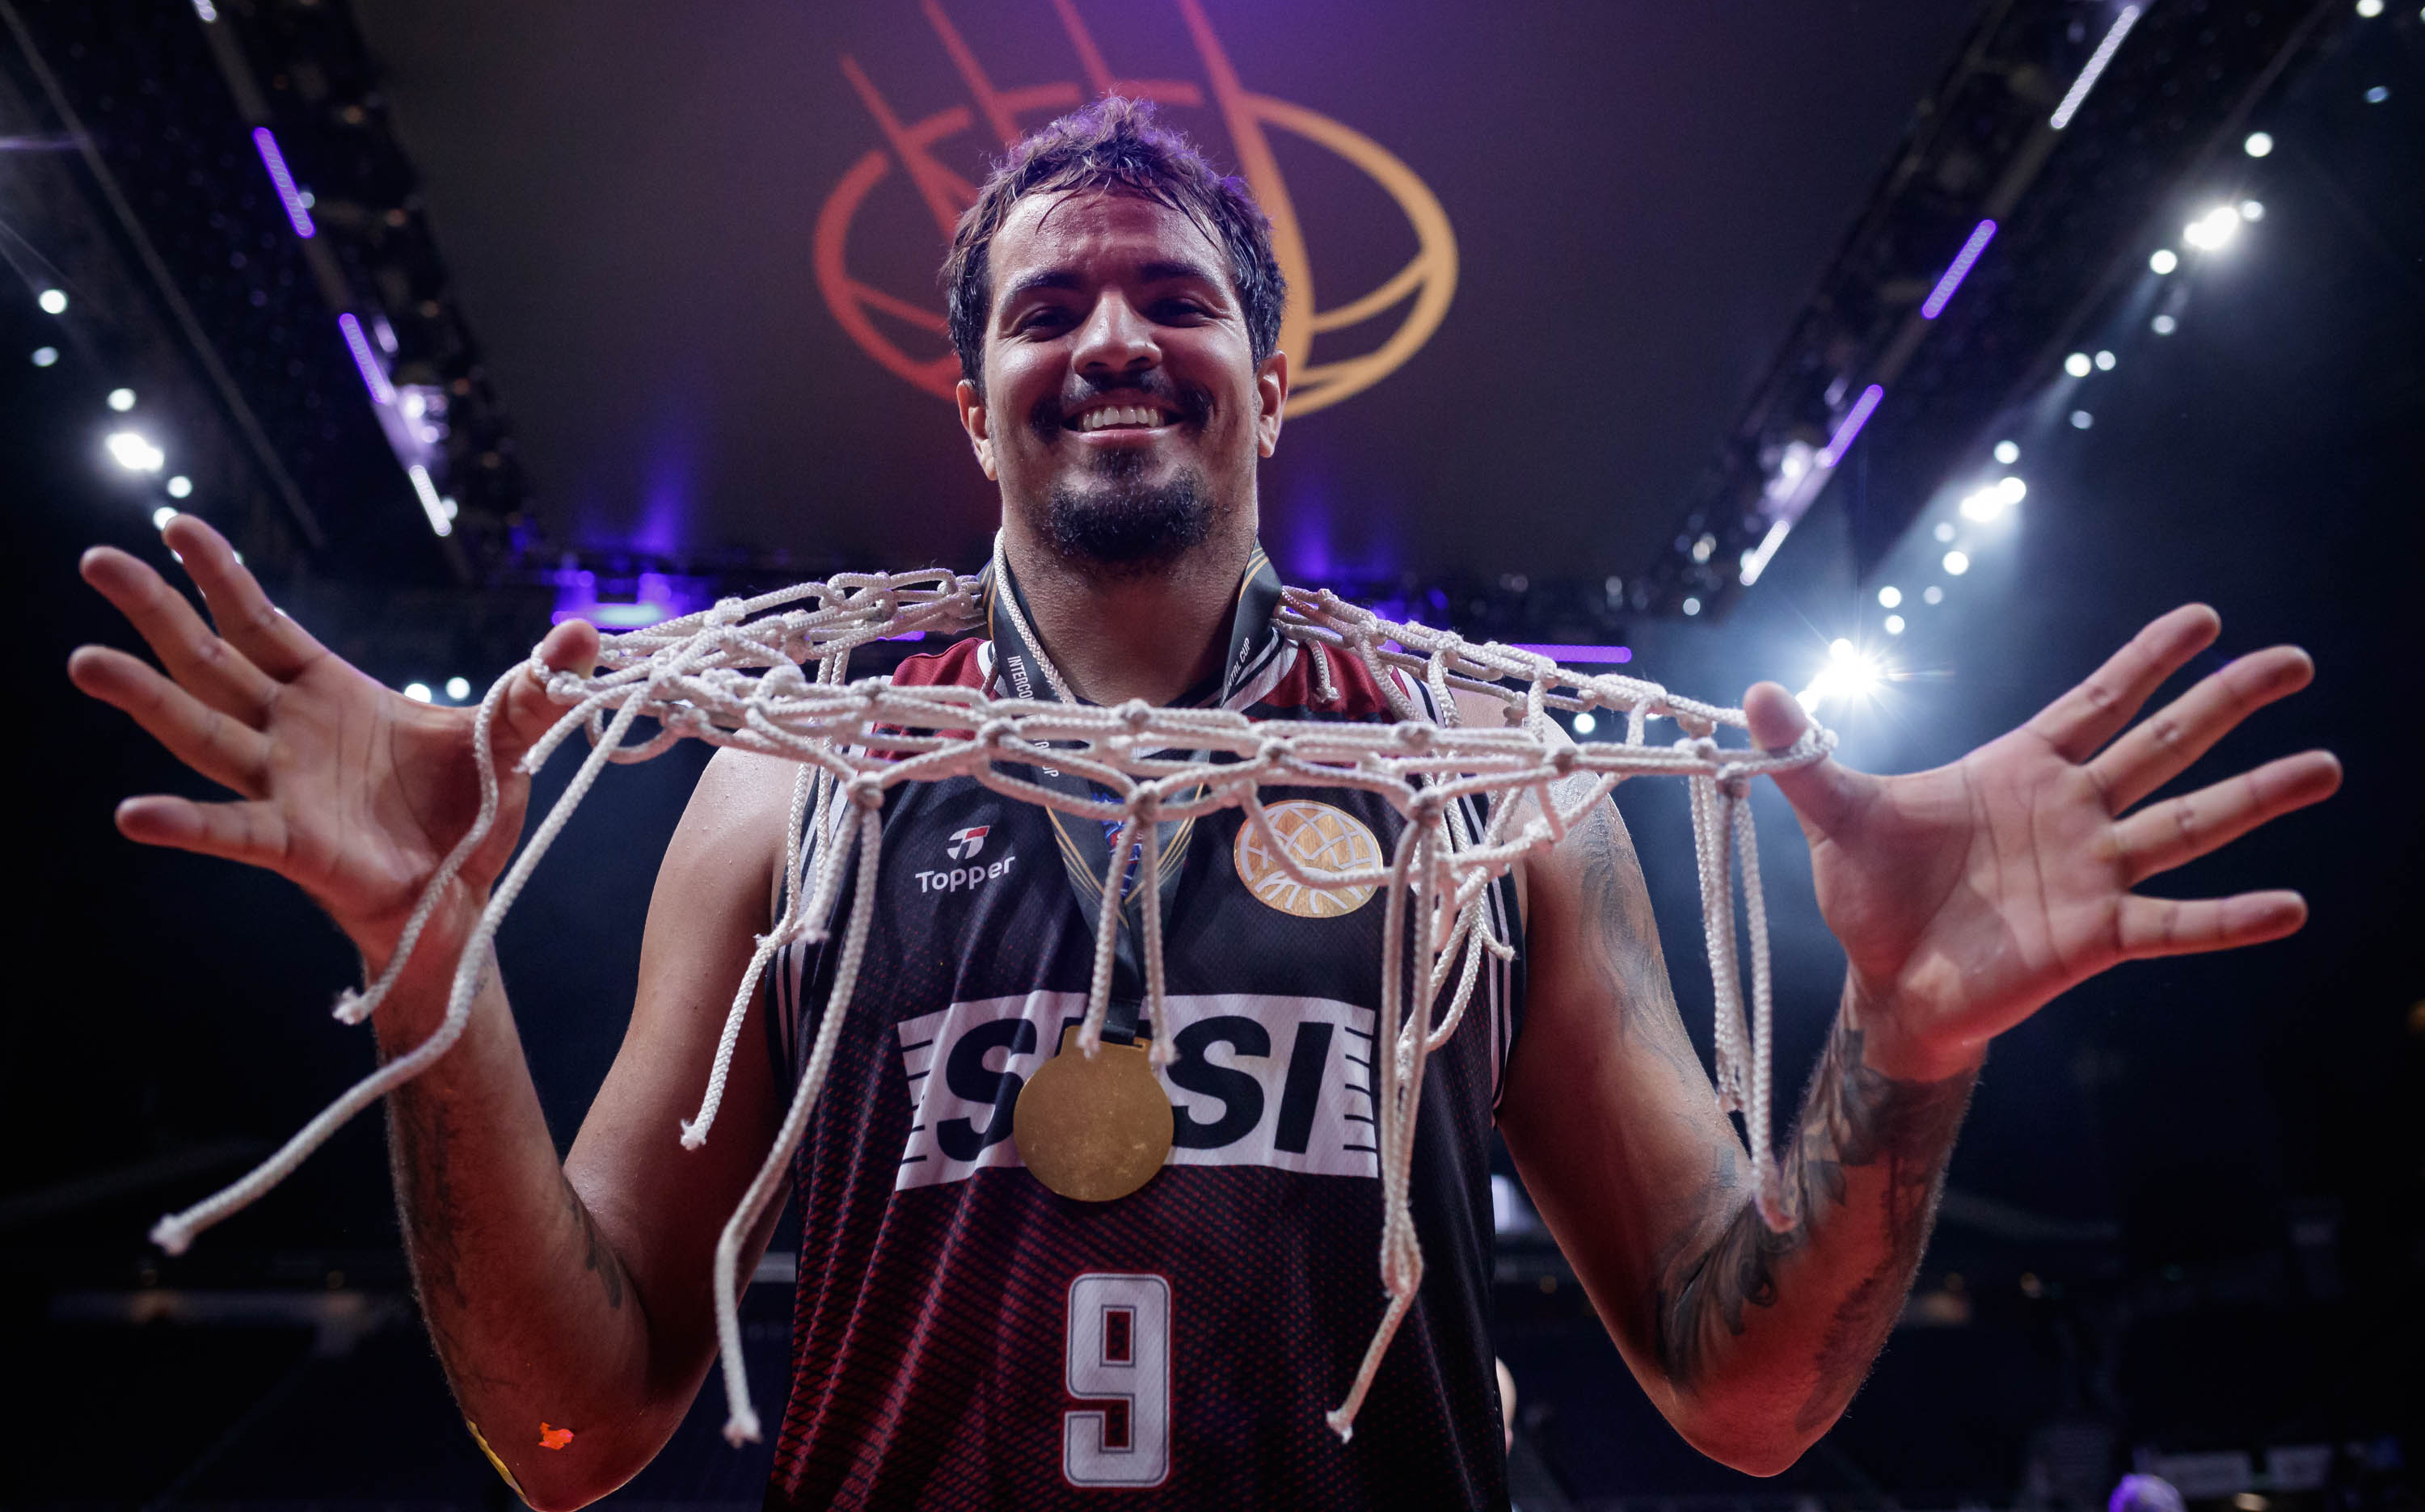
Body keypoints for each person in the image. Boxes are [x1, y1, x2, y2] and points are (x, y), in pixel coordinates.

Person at [67, 99, 2339, 1510]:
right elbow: (572, 1437)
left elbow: (1749, 1395)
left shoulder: (1488, 794)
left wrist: (1909, 1049)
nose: (1115, 337)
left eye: (1176, 295)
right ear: (973, 405)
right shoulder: (790, 794)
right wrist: (430, 969)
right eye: (1050, 309)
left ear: (1280, 369)